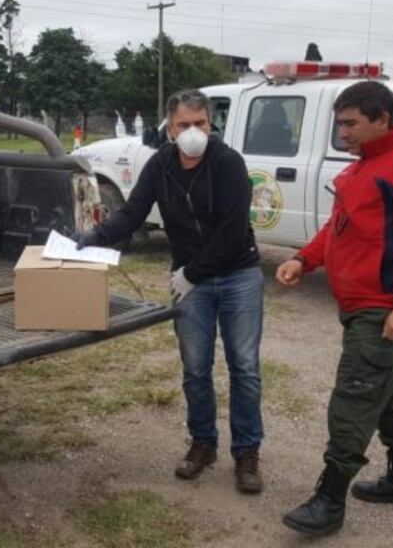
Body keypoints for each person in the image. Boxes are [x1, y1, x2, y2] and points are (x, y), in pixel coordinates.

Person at [276, 81, 393, 535]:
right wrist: (303, 259)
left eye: (351, 123)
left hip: (382, 308)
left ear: (383, 119)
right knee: (386, 393)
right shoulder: (360, 171)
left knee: (353, 399)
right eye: (339, 123)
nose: (343, 132)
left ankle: (329, 500)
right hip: (356, 306)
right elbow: (339, 229)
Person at [76, 89, 266, 494]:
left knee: (244, 368)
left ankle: (247, 453)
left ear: (210, 125)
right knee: (195, 368)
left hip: (238, 276)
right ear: (169, 127)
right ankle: (203, 444)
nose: (193, 133)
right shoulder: (160, 164)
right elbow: (132, 213)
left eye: (200, 124)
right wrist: (92, 238)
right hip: (190, 281)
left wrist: (192, 273)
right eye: (184, 125)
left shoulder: (229, 163)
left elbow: (234, 232)